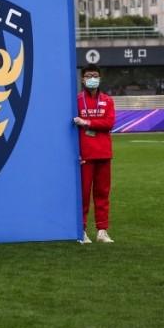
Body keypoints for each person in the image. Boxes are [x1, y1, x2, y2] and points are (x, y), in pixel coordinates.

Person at [73, 64, 116, 244]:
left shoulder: (107, 100)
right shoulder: (76, 100)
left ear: (100, 78)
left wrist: (87, 122)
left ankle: (102, 231)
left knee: (102, 193)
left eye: (95, 75)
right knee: (83, 195)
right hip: (85, 154)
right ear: (82, 79)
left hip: (104, 153)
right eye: (89, 75)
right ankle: (81, 230)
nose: (92, 79)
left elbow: (109, 123)